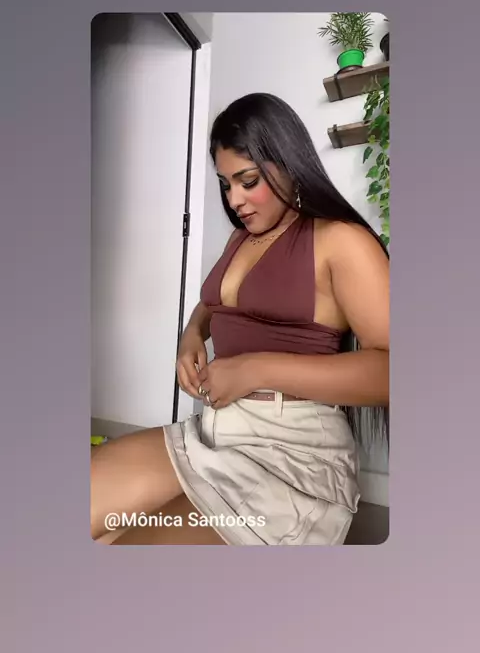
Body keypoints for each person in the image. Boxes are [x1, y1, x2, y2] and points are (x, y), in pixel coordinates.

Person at [91, 93, 389, 546]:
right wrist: (191, 335)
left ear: (289, 163)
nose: (235, 200)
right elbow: (214, 303)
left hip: (292, 453)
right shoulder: (241, 239)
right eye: (225, 184)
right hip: (214, 430)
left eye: (248, 181)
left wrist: (255, 369)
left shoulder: (340, 241)